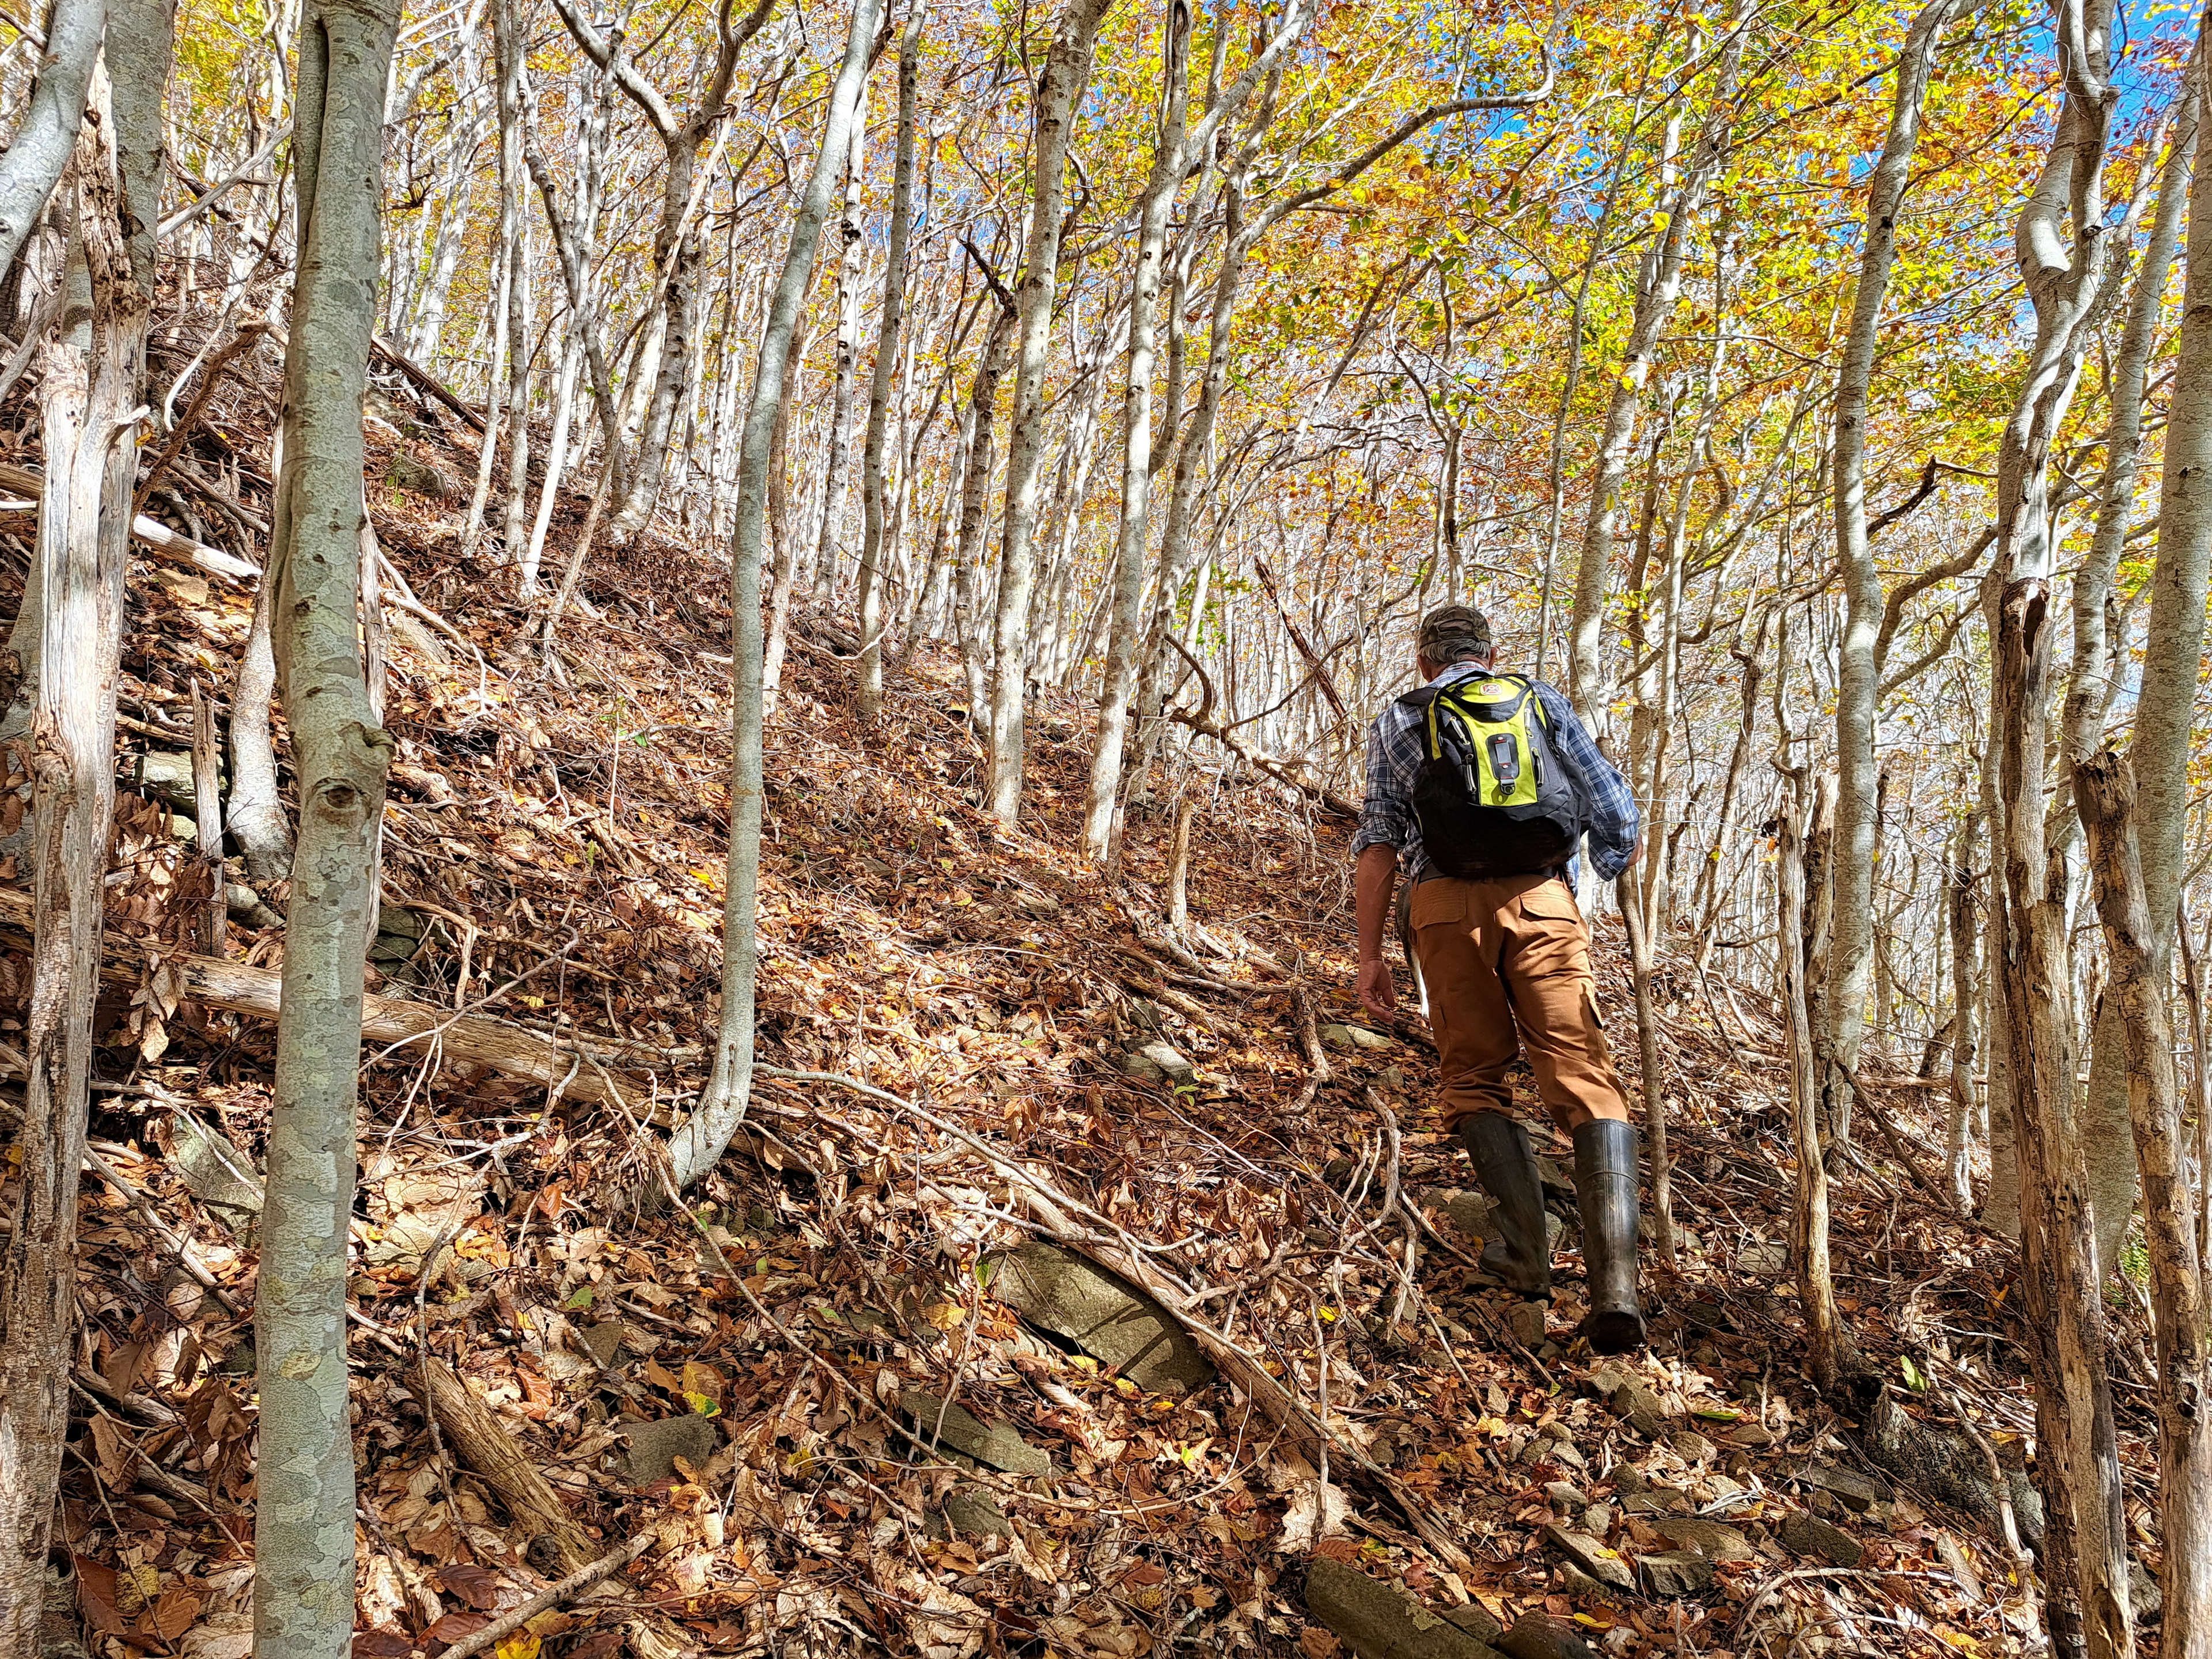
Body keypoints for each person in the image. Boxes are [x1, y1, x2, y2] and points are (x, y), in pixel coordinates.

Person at [1351, 604, 1647, 1353]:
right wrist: (1603, 869)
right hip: (1543, 899)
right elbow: (1616, 811)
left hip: (1444, 910)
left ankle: (1524, 1260)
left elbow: (1379, 842)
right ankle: (1616, 1291)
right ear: (1490, 654)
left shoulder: (1399, 720)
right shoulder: (1540, 702)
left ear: (1425, 663)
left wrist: (1369, 956)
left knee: (1475, 1080)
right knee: (1582, 1074)